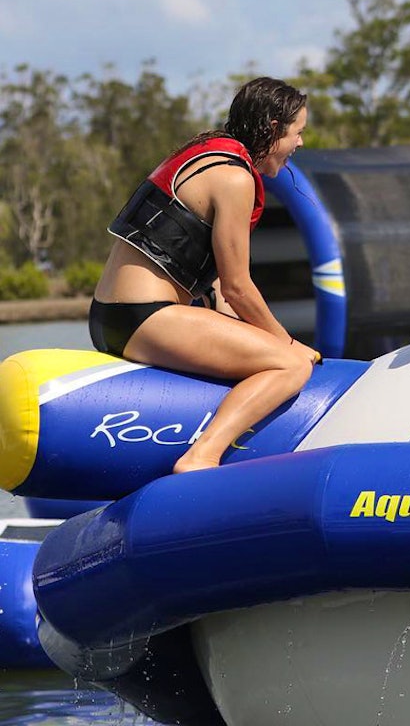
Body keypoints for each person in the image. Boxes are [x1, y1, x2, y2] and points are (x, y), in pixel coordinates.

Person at [91, 76, 320, 474]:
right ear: (272, 128)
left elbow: (214, 289)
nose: (299, 143)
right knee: (290, 366)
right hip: (146, 317)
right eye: (296, 132)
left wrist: (257, 340)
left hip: (113, 317)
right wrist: (288, 344)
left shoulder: (204, 152)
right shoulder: (235, 177)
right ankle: (202, 456)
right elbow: (237, 287)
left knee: (270, 353)